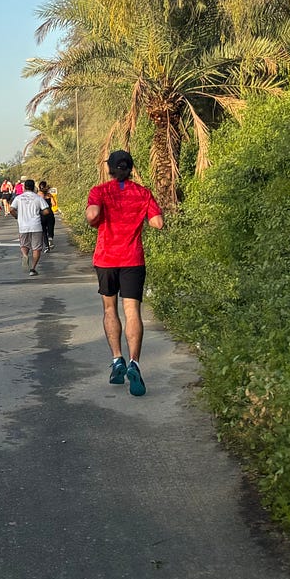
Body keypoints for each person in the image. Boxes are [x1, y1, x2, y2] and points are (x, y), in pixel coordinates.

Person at [86, 150, 164, 397]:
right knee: (133, 312)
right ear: (130, 168)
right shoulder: (143, 193)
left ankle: (117, 358)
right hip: (133, 260)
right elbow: (158, 223)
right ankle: (134, 362)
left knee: (110, 310)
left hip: (106, 260)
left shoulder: (99, 191)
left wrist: (96, 214)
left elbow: (92, 216)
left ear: (109, 168)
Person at [10, 181, 49, 276]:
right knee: (36, 248)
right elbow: (47, 211)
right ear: (34, 188)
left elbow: (11, 209)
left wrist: (17, 216)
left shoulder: (18, 198)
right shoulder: (38, 198)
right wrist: (40, 213)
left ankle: (25, 255)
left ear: (24, 187)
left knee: (24, 245)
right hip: (36, 226)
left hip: (23, 226)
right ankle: (32, 269)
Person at [37, 180, 58, 250]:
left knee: (43, 230)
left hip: (42, 214)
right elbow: (54, 204)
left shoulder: (38, 195)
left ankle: (46, 246)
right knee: (50, 227)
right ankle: (50, 237)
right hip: (50, 213)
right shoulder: (49, 195)